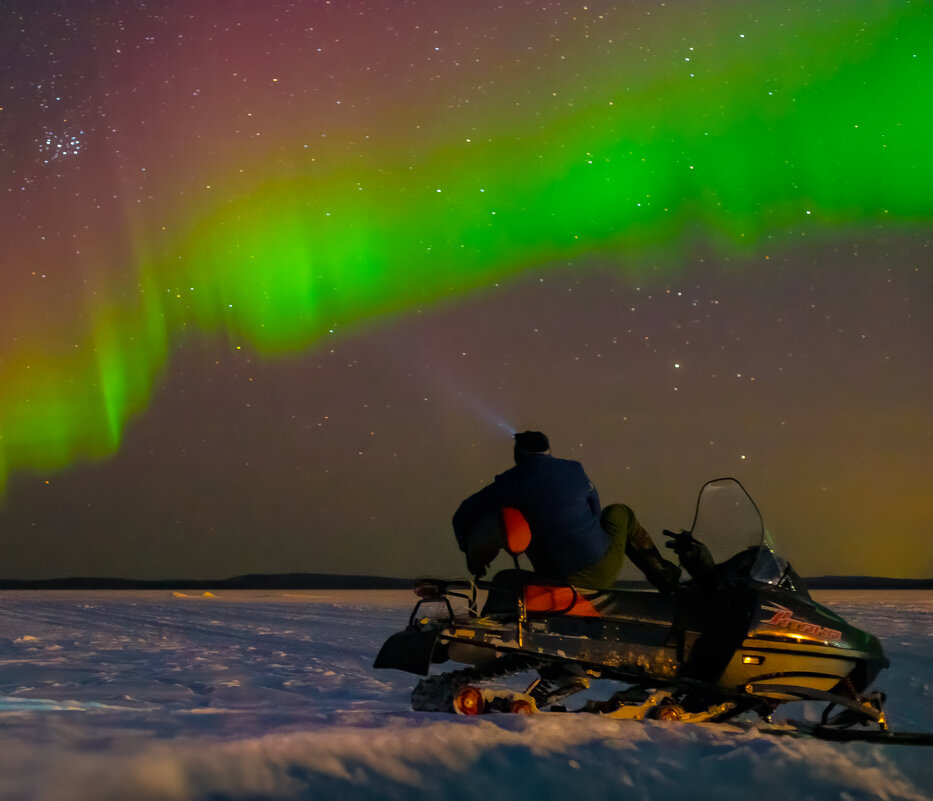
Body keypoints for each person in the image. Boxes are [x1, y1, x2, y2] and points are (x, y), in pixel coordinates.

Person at [452, 431, 681, 593]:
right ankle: (663, 577)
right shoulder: (574, 469)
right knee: (621, 512)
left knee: (506, 578)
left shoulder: (507, 484)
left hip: (552, 575)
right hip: (597, 570)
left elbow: (463, 513)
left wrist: (470, 553)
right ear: (549, 451)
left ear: (518, 455)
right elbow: (596, 509)